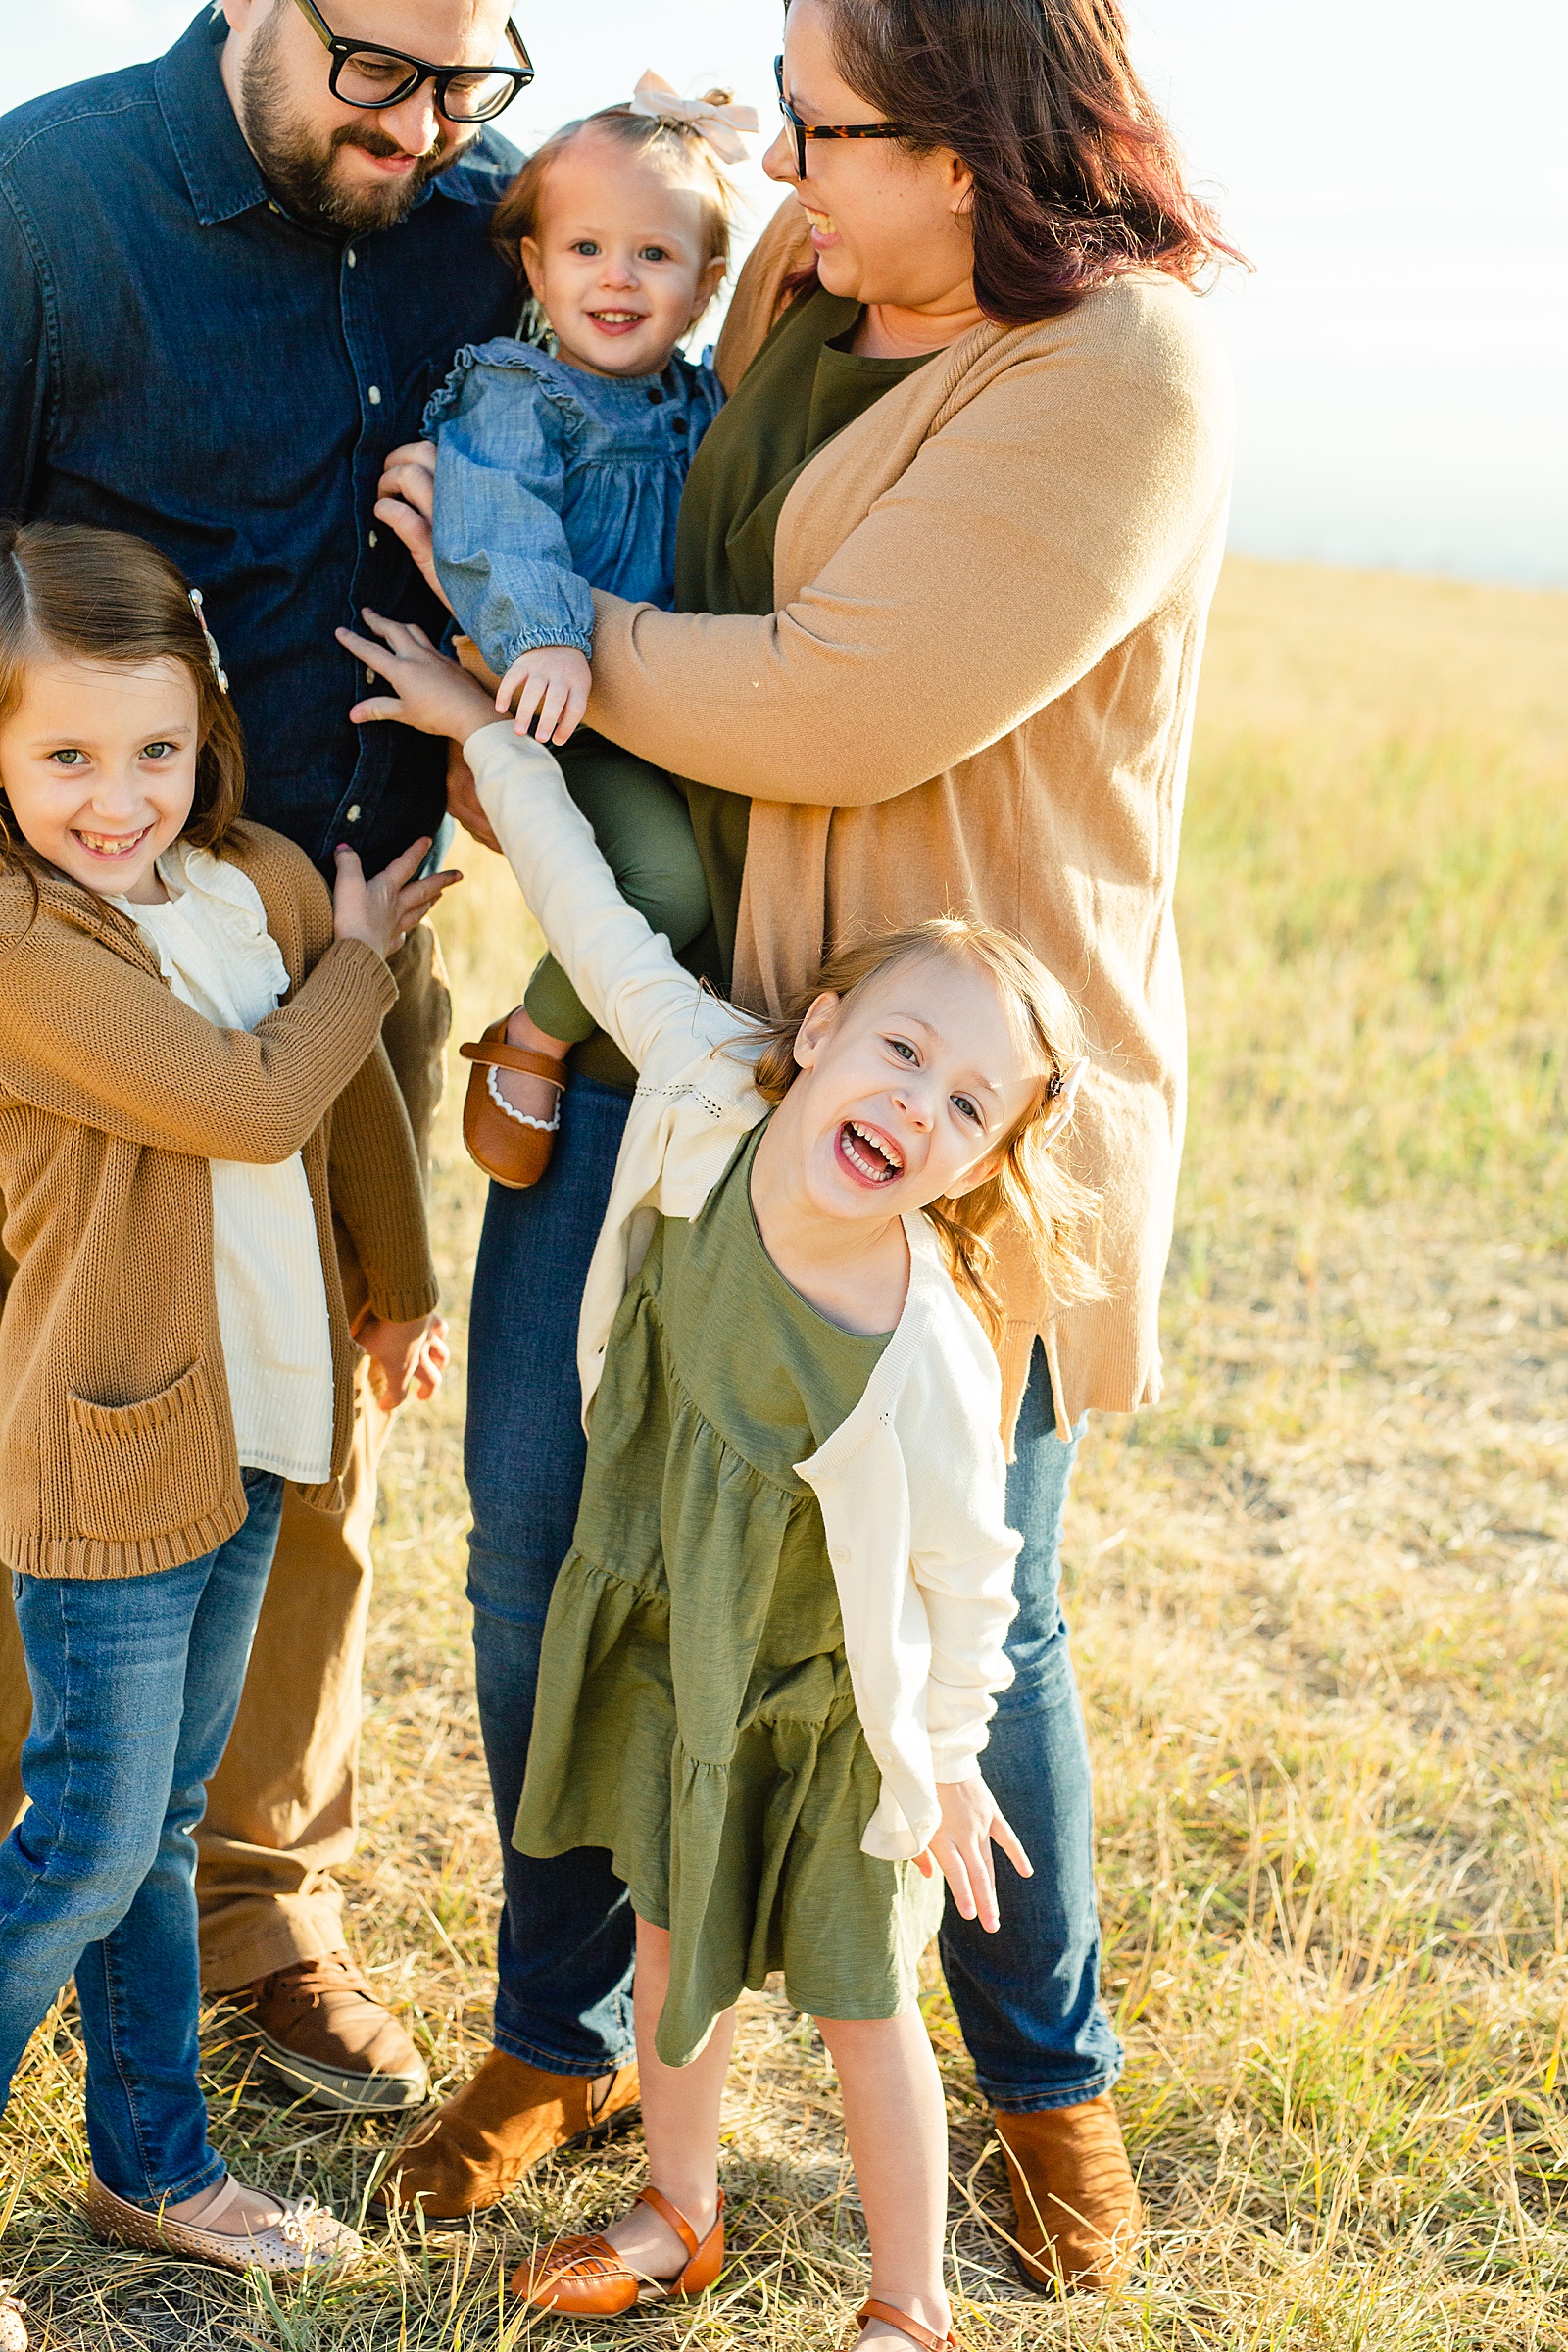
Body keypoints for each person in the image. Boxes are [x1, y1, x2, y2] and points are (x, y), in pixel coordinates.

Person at [374, 0, 1240, 2291]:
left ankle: (1042, 2083)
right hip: (695, 1048)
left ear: (966, 140)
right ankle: (557, 2032)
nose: (776, 154)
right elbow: (621, 471)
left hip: (947, 1106)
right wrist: (498, 613)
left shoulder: (1116, 372)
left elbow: (846, 689)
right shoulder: (787, 287)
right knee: (554, 1541)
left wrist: (526, 645)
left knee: (963, 1608)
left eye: (821, 120)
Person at [333, 609, 1097, 2348]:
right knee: (670, 1951)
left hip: (822, 1711)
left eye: (968, 1106)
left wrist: (953, 1751)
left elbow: (977, 1575)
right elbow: (594, 916)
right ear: (816, 1029)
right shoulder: (701, 1089)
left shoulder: (927, 1341)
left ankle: (910, 2307)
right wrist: (484, 728)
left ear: (977, 1162)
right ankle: (682, 2206)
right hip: (682, 1648)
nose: (917, 1103)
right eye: (902, 1048)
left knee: (858, 2005)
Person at [0, 0, 529, 2111]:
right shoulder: (48, 202)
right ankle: (60, 1859)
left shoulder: (476, 219)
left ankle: (257, 1913)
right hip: (72, 995)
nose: (419, 127)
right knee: (69, 1429)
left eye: (464, 78)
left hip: (351, 952)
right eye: (374, 73)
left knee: (315, 1448)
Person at [0, 521, 451, 2300]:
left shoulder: (254, 882)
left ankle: (157, 2167)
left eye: (156, 751)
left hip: (264, 1423)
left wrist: (400, 1292)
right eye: (65, 758)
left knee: (164, 1829)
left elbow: (354, 1121)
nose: (118, 801)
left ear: (208, 731)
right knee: (88, 1837)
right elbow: (255, 1095)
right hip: (109, 1438)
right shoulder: (29, 950)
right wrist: (368, 961)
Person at [428, 79, 756, 1184]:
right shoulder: (518, 392)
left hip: (680, 714)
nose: (615, 277)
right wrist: (547, 637)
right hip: (572, 710)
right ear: (534, 267)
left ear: (706, 288)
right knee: (667, 887)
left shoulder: (703, 406)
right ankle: (534, 1036)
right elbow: (495, 520)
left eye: (655, 257)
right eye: (583, 248)